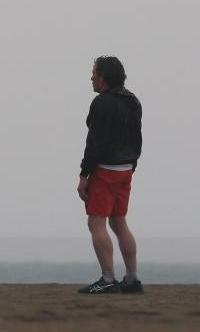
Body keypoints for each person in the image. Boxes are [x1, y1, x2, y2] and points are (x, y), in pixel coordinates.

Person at [77, 56, 144, 294]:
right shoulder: (132, 100)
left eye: (94, 73)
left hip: (106, 170)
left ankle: (107, 279)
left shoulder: (102, 103)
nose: (91, 77)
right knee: (118, 222)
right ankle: (132, 279)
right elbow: (137, 137)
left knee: (96, 221)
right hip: (126, 169)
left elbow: (95, 142)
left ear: (104, 77)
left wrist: (85, 174)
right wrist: (132, 164)